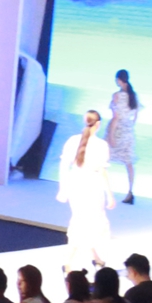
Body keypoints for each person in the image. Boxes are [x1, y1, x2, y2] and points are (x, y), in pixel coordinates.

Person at [56, 108, 115, 272]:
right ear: (98, 124)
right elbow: (102, 171)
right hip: (92, 187)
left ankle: (95, 258)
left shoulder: (72, 141)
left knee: (83, 221)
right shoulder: (101, 145)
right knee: (88, 223)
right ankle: (68, 262)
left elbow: (63, 166)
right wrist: (110, 195)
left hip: (75, 185)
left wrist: (63, 188)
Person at [106, 69, 143, 206]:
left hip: (118, 130)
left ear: (118, 80)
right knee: (129, 163)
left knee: (103, 158)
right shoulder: (134, 96)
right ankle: (130, 192)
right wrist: (129, 127)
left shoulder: (117, 96)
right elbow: (135, 117)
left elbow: (115, 117)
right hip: (129, 131)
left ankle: (99, 189)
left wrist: (111, 135)